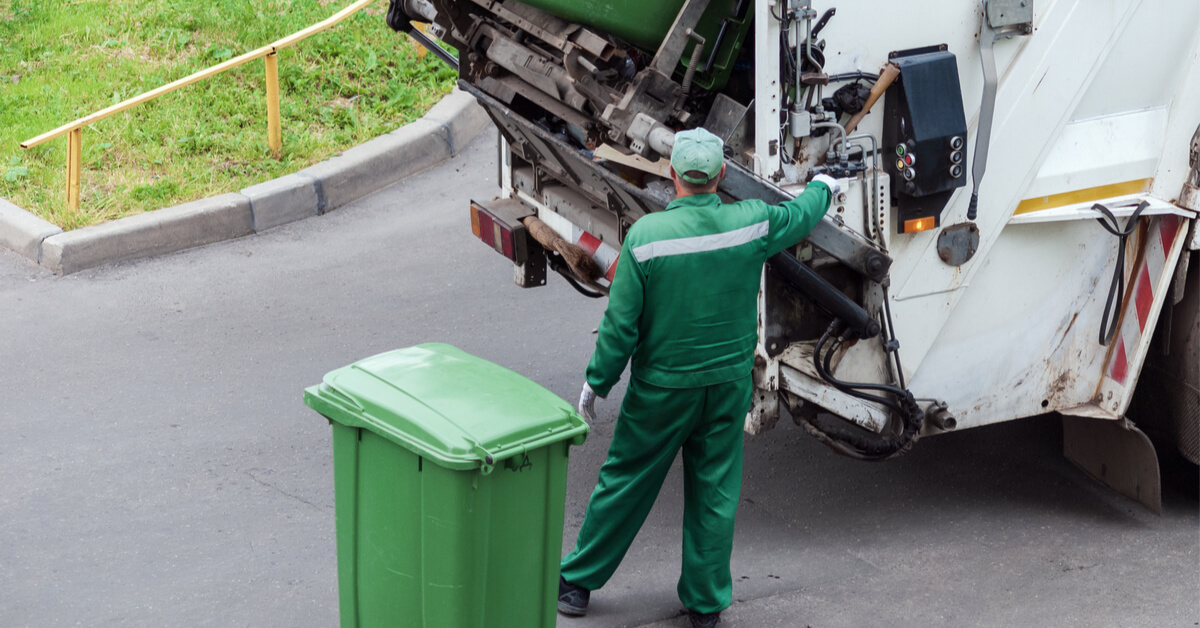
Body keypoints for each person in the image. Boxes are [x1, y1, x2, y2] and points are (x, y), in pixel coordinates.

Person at [557, 127, 840, 627]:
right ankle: (705, 607)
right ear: (722, 174)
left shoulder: (646, 238)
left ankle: (577, 584)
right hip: (726, 386)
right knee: (715, 492)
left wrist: (597, 383)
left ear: (672, 175)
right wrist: (823, 186)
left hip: (661, 390)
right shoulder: (751, 223)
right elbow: (800, 216)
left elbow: (621, 327)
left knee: (626, 481)